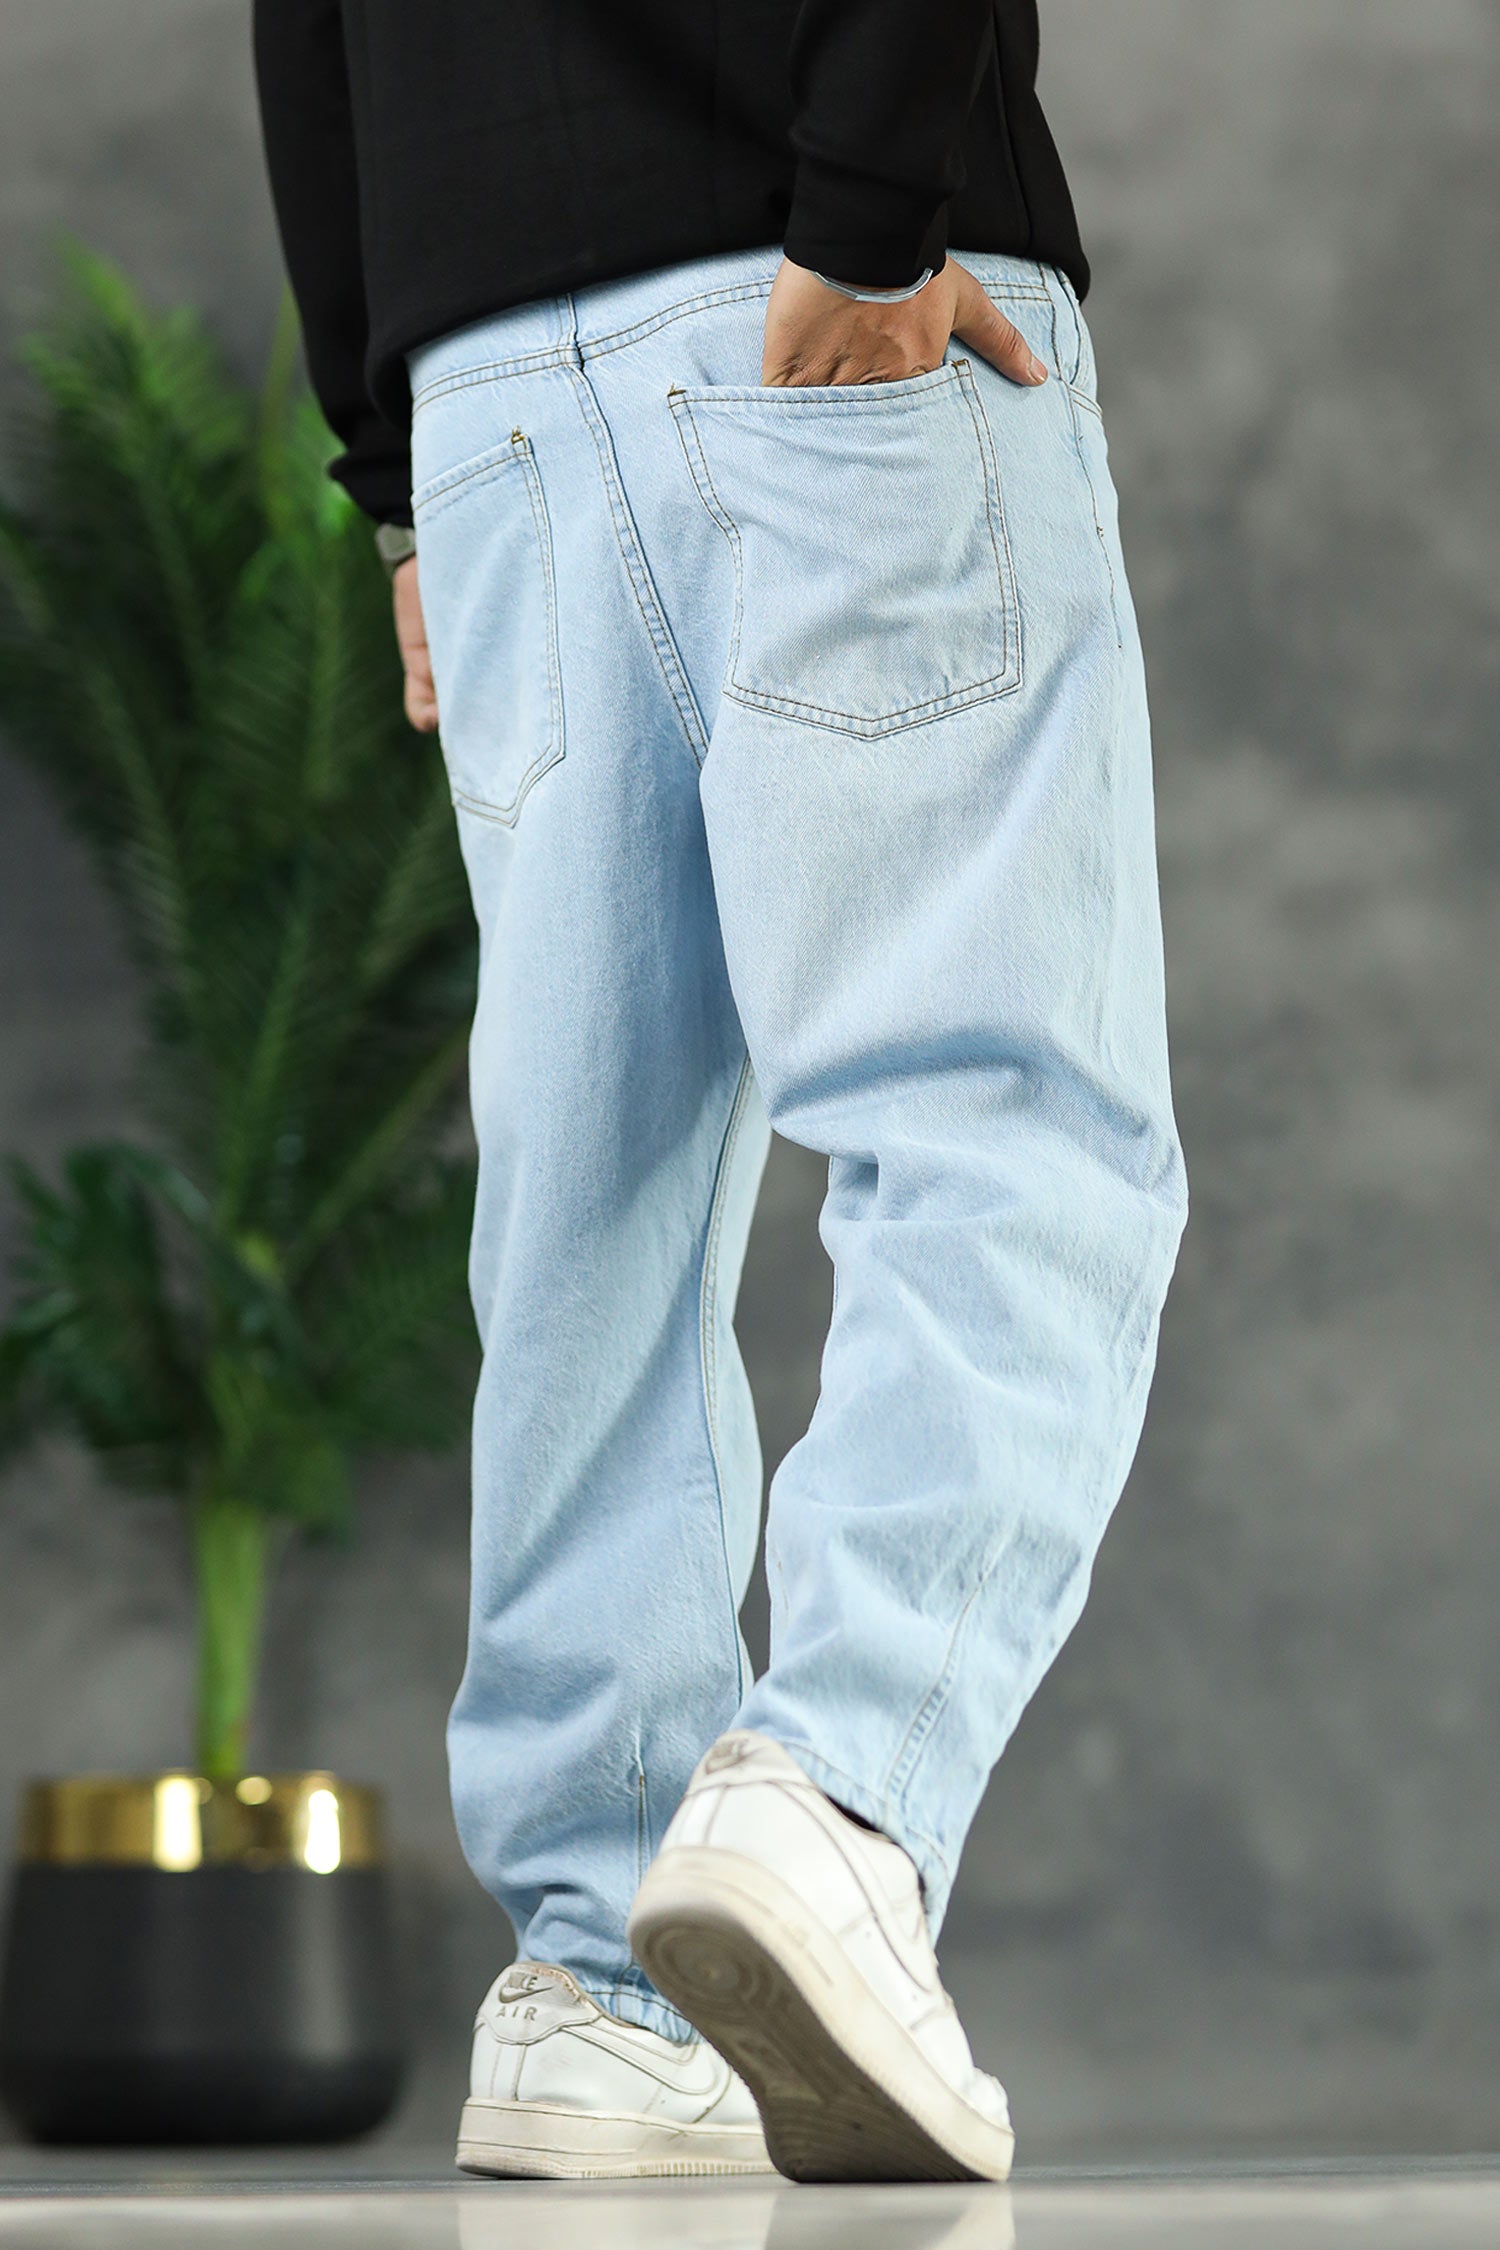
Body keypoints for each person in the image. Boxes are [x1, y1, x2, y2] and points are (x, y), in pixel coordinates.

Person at [254, 0, 1188, 2187]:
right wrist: (868, 220)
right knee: (1004, 1112)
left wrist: (394, 465)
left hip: (487, 380)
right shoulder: (842, 253)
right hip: (811, 285)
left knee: (590, 1193)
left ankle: (598, 1989)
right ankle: (837, 1786)